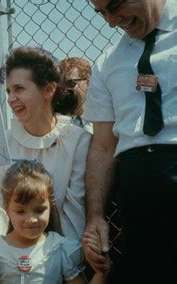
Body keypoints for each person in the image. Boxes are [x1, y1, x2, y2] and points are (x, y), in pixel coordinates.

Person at [82, 0, 177, 282]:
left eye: (116, 5)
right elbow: (102, 146)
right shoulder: (108, 63)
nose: (111, 22)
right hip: (138, 201)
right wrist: (95, 215)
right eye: (101, 13)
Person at [0, 47, 91, 242]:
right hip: (10, 254)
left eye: (19, 89)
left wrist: (61, 262)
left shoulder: (78, 141)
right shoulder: (4, 142)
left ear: (49, 89)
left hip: (61, 254)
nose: (11, 99)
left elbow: (74, 215)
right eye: (8, 91)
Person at [0, 160, 109, 283]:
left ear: (50, 206)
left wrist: (101, 272)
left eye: (39, 210)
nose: (31, 219)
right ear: (6, 209)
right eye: (20, 211)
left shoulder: (59, 249)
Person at [59, 57, 93, 133]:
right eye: (60, 85)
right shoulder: (53, 120)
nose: (64, 89)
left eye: (70, 83)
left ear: (88, 84)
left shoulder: (101, 118)